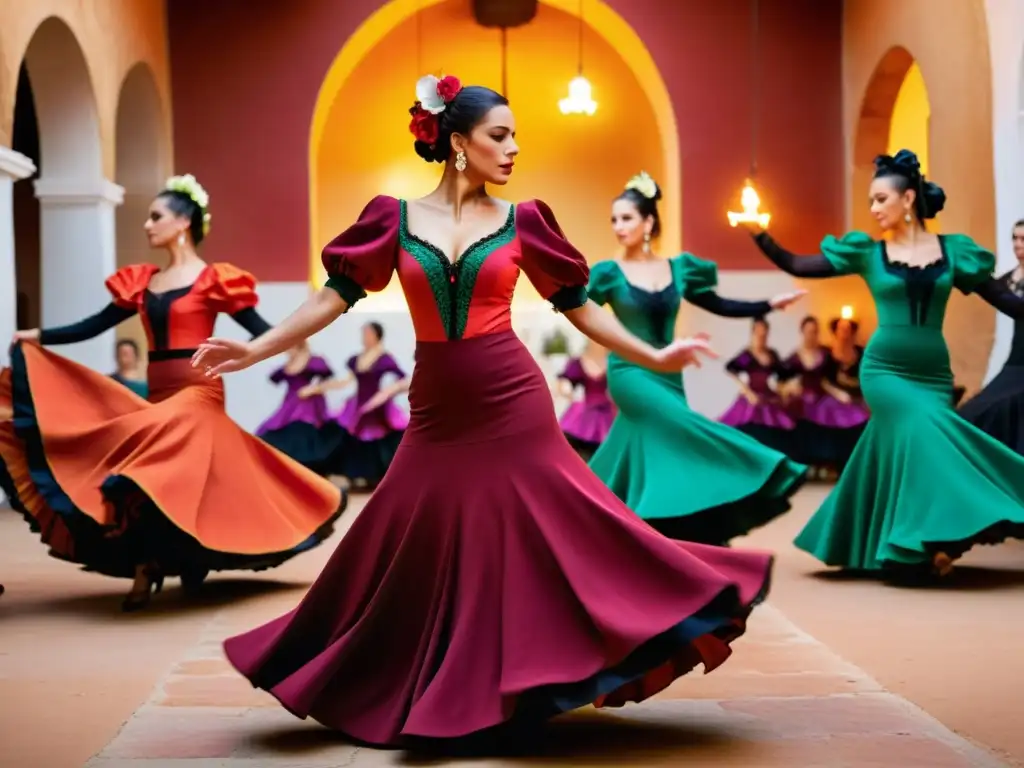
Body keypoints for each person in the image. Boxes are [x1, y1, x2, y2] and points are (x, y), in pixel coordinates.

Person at [193, 75, 773, 749]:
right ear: (459, 143)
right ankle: (358, 668)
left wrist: (656, 354)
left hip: (512, 401)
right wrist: (255, 349)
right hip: (437, 409)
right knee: (400, 536)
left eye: (516, 136)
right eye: (501, 135)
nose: (514, 148)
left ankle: (547, 666)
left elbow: (580, 309)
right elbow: (333, 298)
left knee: (562, 528)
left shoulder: (525, 220)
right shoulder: (392, 218)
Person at [0, 174, 345, 611]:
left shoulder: (215, 280)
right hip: (158, 397)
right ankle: (163, 556)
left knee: (152, 464)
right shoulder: (141, 282)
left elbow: (261, 333)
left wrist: (298, 346)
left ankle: (148, 570)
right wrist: (38, 334)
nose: (147, 225)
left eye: (155, 216)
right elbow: (92, 326)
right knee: (151, 480)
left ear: (183, 223)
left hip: (199, 393)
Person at [745, 149, 1024, 578]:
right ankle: (916, 545)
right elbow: (797, 263)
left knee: (910, 448)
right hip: (884, 372)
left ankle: (919, 543)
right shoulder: (866, 253)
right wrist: (760, 233)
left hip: (932, 373)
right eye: (871, 200)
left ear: (908, 199)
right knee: (926, 432)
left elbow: (1006, 300)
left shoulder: (955, 253)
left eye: (880, 199)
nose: (873, 209)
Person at [585, 172, 808, 545]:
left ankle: (636, 533)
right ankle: (759, 464)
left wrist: (767, 303)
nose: (618, 227)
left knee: (652, 446)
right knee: (682, 427)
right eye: (614, 220)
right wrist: (591, 357)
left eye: (626, 218)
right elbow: (584, 314)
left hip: (671, 374)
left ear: (648, 222)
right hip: (630, 373)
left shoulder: (680, 269)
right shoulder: (607, 273)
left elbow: (717, 302)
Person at [308, 321, 409, 488]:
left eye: (368, 333)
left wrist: (386, 394)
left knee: (379, 438)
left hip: (377, 406)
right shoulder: (357, 358)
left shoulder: (384, 358)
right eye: (364, 333)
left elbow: (401, 380)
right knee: (349, 435)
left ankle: (380, 477)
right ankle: (356, 474)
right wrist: (319, 388)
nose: (365, 337)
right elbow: (346, 381)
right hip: (358, 404)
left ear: (377, 335)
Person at [958, 219, 1024, 452]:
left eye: (1023, 239)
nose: (1018, 245)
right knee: (978, 411)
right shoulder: (1006, 280)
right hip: (1016, 359)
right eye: (1014, 239)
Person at [782, 315, 869, 476]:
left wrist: (841, 392)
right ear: (802, 332)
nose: (811, 335)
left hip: (823, 395)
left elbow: (828, 378)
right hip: (804, 397)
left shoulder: (825, 352)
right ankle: (809, 463)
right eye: (808, 332)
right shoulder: (795, 356)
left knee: (847, 415)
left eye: (814, 332)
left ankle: (839, 463)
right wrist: (790, 387)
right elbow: (781, 377)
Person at [255, 340, 339, 474]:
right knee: (273, 432)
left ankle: (308, 471)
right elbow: (274, 377)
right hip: (290, 404)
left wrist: (312, 389)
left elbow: (329, 382)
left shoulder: (314, 361)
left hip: (307, 405)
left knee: (301, 429)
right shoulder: (288, 364)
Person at [719, 316, 797, 456]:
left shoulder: (772, 354)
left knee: (780, 431)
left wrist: (785, 389)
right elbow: (730, 369)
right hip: (752, 398)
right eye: (758, 332)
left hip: (769, 397)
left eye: (764, 332)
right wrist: (746, 392)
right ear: (753, 332)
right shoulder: (747, 355)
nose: (761, 335)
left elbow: (783, 375)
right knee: (749, 429)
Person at [555, 340, 614, 461]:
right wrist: (567, 391)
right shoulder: (579, 362)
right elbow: (564, 381)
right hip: (586, 415)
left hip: (609, 416)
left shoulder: (614, 362)